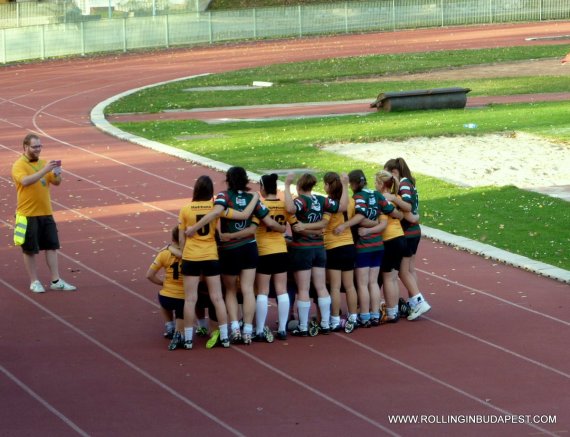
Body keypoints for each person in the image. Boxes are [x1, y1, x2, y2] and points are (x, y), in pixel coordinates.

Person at [284, 172, 348, 336]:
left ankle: (303, 327)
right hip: (319, 248)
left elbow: (290, 208)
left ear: (299, 186)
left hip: (302, 249)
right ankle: (325, 324)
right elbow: (342, 207)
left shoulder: (301, 200)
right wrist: (345, 185)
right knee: (321, 286)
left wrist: (286, 185)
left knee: (303, 288)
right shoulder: (321, 200)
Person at [11, 133, 76, 293]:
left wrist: (57, 173)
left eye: (39, 146)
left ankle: (56, 280)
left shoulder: (43, 163)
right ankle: (34, 281)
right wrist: (45, 170)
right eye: (34, 147)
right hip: (27, 214)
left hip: (46, 212)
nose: (38, 149)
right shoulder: (19, 165)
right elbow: (25, 181)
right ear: (25, 147)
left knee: (52, 246)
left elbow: (56, 182)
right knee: (29, 250)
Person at [383, 158, 431, 320]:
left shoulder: (403, 184)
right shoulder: (409, 182)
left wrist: (393, 198)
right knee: (410, 269)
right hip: (414, 231)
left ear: (394, 172)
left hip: (408, 231)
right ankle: (413, 301)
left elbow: (408, 208)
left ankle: (418, 300)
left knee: (403, 271)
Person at [255, 173, 292, 341]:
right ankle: (282, 329)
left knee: (262, 291)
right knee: (282, 290)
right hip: (281, 250)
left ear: (263, 188)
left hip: (264, 251)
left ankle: (260, 330)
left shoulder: (260, 206)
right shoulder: (284, 205)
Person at [322, 172, 358, 333]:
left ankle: (335, 319)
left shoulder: (328, 203)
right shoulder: (350, 201)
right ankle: (353, 317)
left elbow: (324, 224)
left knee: (335, 287)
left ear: (329, 186)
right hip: (348, 245)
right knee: (350, 286)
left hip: (333, 246)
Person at [146, 226, 185, 345]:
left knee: (163, 296)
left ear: (172, 238)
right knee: (184, 307)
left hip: (166, 297)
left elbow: (149, 275)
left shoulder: (164, 253)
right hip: (184, 298)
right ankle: (185, 330)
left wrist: (163, 283)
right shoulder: (191, 254)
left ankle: (169, 326)